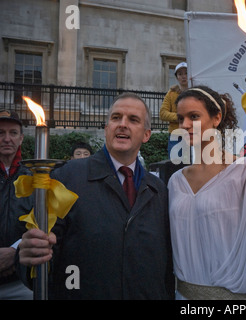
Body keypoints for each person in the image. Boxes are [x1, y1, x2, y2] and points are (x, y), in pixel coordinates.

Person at [18, 93, 174, 299]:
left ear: (146, 135)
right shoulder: (66, 177)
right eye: (116, 118)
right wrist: (29, 256)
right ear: (106, 128)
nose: (122, 124)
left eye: (133, 120)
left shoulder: (158, 189)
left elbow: (164, 265)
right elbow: (39, 253)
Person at [168, 85, 246, 299]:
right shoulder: (175, 182)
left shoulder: (245, 171)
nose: (184, 125)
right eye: (180, 118)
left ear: (216, 118)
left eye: (193, 116)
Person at [0, 110, 34, 300]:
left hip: (20, 282)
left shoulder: (33, 178)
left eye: (13, 133)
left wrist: (14, 253)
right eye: (0, 133)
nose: (7, 139)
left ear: (21, 138)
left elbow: (42, 220)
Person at [160, 62, 188, 160]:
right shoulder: (171, 93)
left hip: (194, 134)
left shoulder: (197, 92)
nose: (183, 76)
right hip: (176, 135)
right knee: (174, 165)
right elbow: (163, 113)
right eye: (180, 74)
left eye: (186, 73)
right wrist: (180, 118)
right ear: (177, 77)